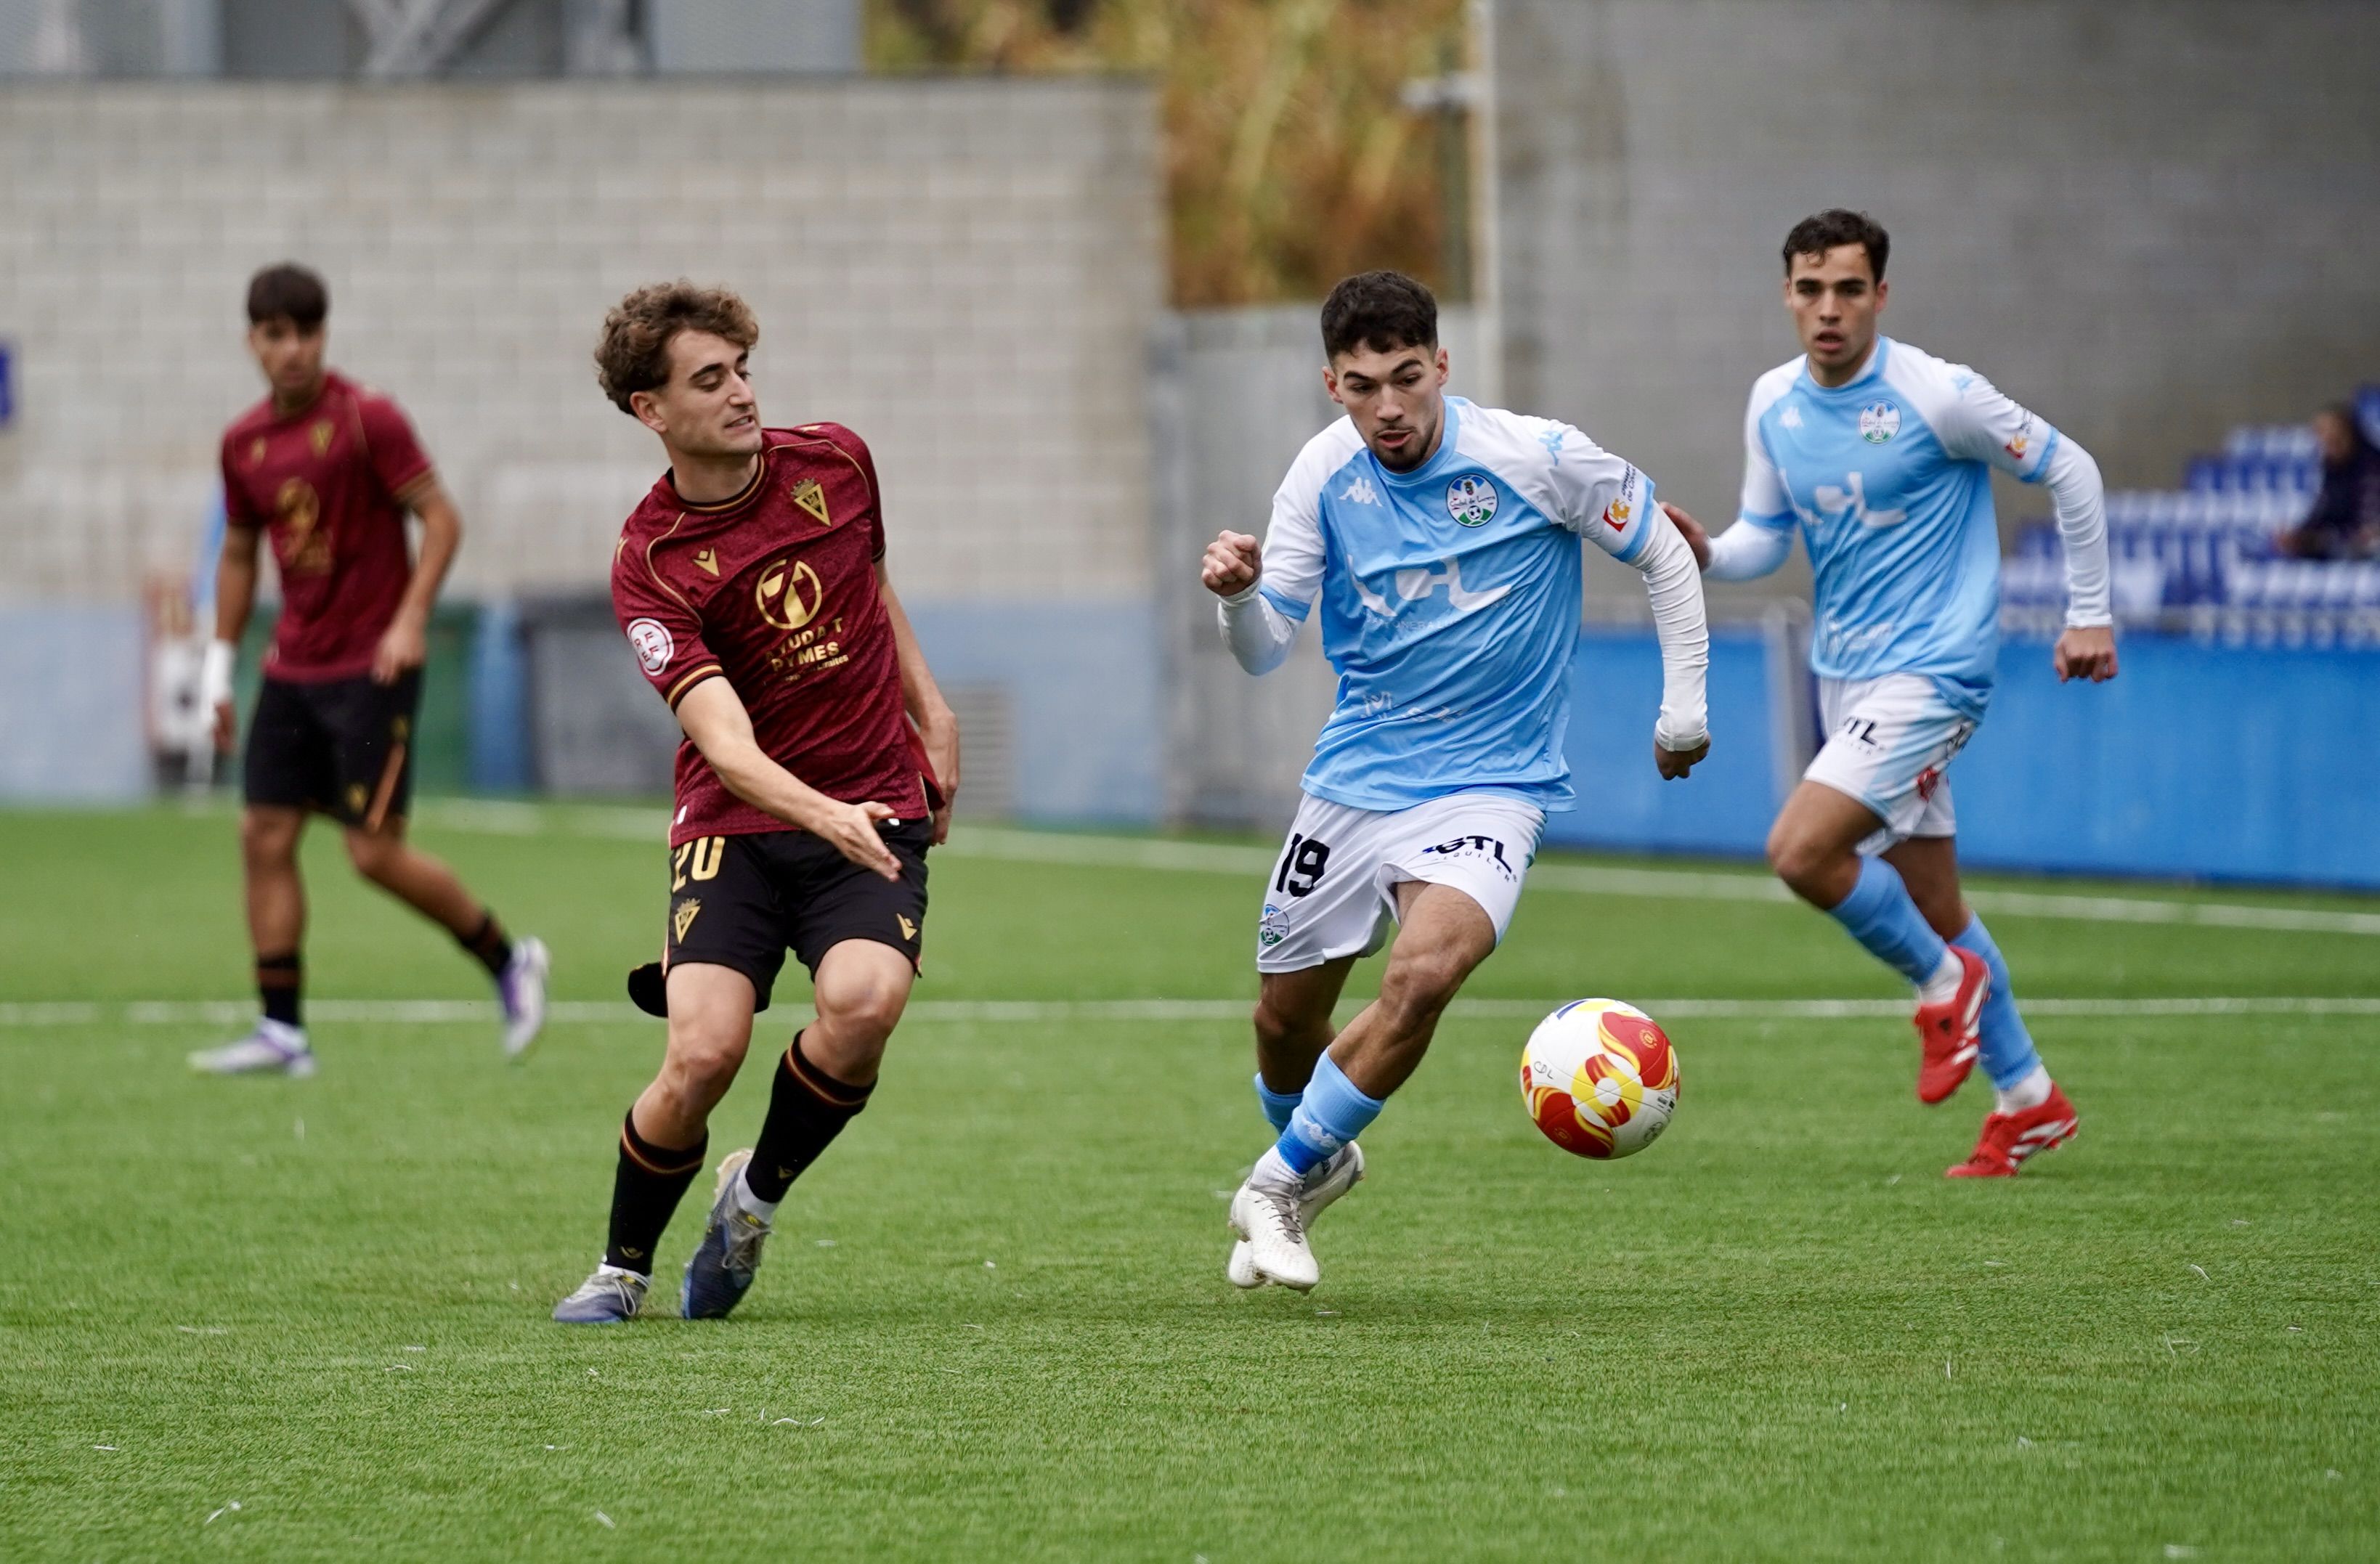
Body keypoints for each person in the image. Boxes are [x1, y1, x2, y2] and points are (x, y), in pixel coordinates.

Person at [1200, 269, 1710, 1292]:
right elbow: (1263, 651)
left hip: (1493, 784)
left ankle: (1276, 1182)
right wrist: (1240, 598)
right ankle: (1319, 1154)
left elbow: (1662, 547)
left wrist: (1683, 709)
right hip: (1356, 779)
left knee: (1426, 974)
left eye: (1405, 377)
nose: (1387, 406)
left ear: (1441, 364)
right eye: (1361, 386)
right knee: (1281, 1023)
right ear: (1331, 385)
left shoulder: (1536, 456)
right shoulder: (1321, 474)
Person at [1662, 210, 2113, 1178]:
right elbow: (1764, 539)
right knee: (1934, 899)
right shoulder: (1773, 402)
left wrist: (2090, 614)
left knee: (1800, 850)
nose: (1828, 309)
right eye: (1810, 289)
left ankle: (1945, 987)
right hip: (1846, 677)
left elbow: (2070, 468)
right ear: (1787, 295)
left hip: (1935, 672)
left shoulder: (1938, 395)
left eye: (1848, 289)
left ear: (1880, 295)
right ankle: (2028, 1098)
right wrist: (1706, 553)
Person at [553, 282, 959, 1324]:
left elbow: (871, 583)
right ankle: (620, 1269)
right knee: (703, 1053)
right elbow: (727, 747)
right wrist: (826, 813)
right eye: (710, 379)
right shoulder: (651, 562)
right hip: (738, 827)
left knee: (864, 1004)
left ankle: (752, 1200)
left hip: (870, 800)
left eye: (741, 370)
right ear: (651, 410)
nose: (741, 393)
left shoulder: (837, 462)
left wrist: (932, 710)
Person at [190, 263, 547, 1078]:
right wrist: (217, 668)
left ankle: (509, 959)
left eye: (306, 332)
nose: (293, 349)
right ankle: (282, 1030)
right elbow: (239, 554)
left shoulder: (366, 419)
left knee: (373, 854)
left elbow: (441, 519)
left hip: (370, 669)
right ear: (252, 342)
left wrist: (410, 619)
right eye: (276, 335)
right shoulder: (243, 444)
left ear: (324, 335)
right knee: (262, 834)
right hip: (291, 668)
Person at [2278, 403, 2380, 560]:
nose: (2327, 439)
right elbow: (2324, 510)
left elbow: (2370, 522)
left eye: (2333, 433)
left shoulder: (2372, 466)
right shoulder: (2332, 467)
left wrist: (2324, 540)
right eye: (2321, 433)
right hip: (2344, 540)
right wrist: (2301, 535)